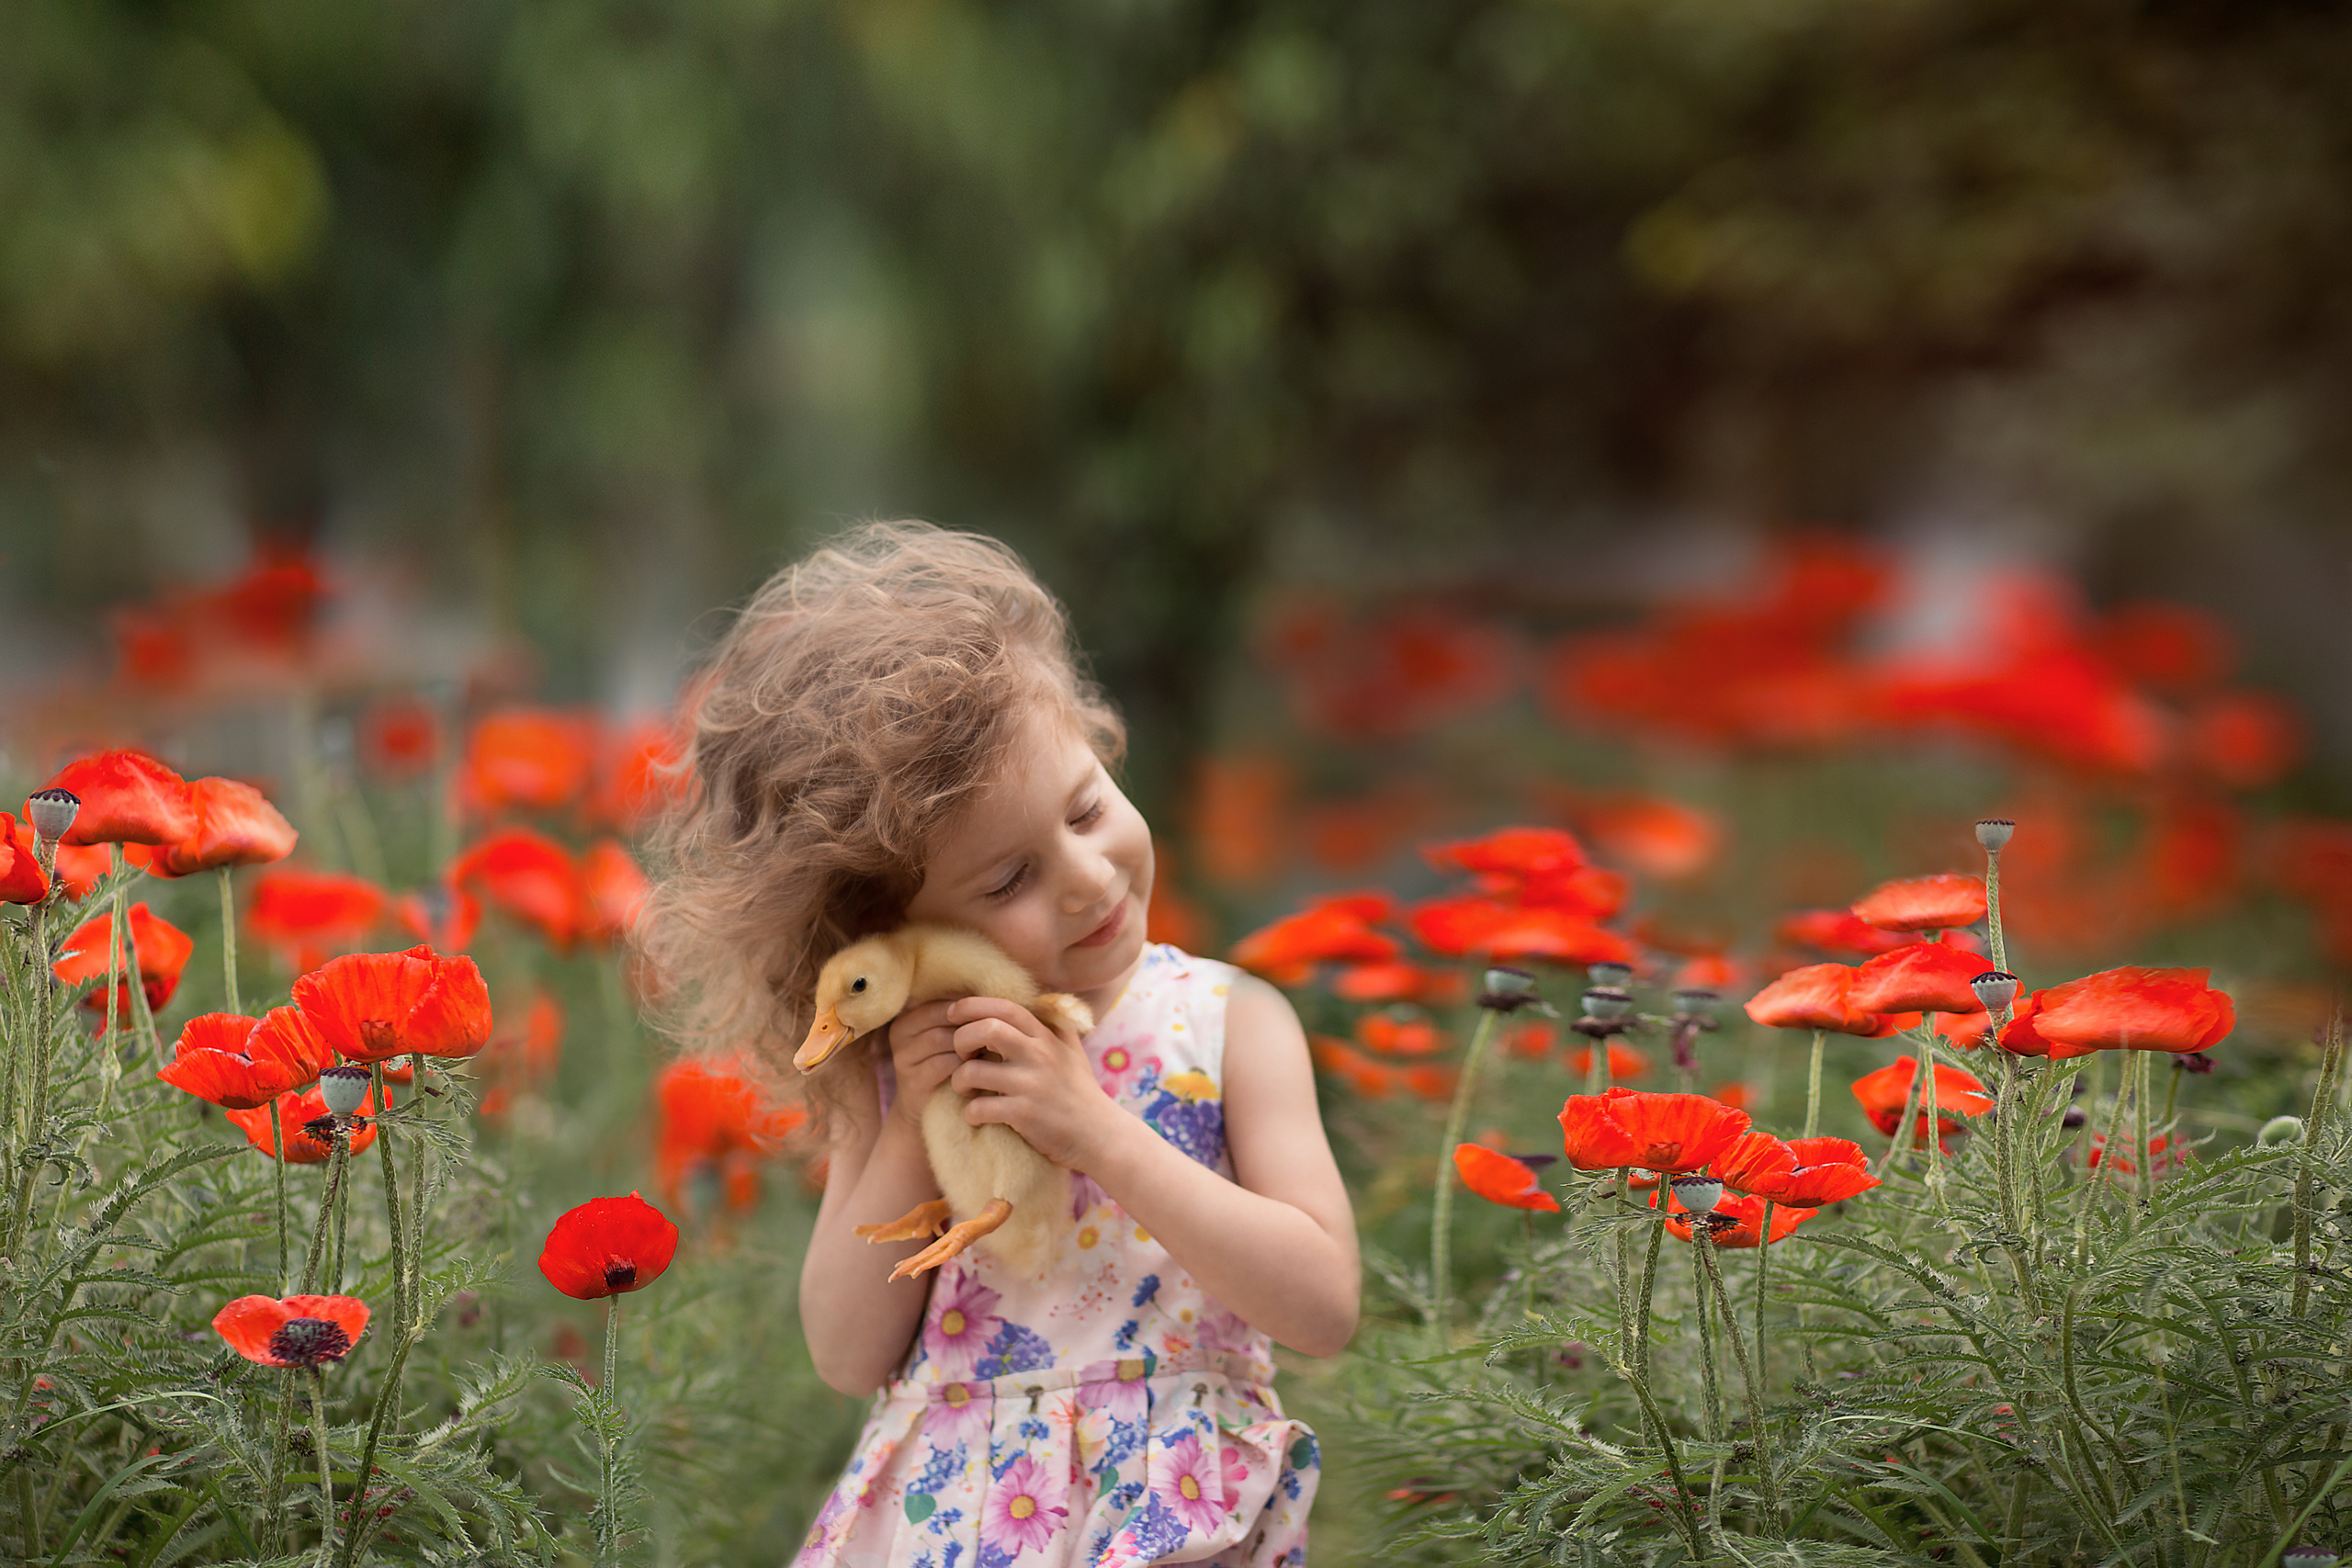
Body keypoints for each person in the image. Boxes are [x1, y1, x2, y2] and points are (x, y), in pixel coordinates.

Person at [642, 522, 1359, 1566]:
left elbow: (1322, 1303)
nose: (1083, 876)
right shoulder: (903, 1072)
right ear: (897, 933)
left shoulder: (1227, 1022)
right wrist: (905, 1136)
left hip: (1163, 1516)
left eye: (1085, 808)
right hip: (950, 1520)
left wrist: (1094, 1133)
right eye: (1008, 880)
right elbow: (847, 1353)